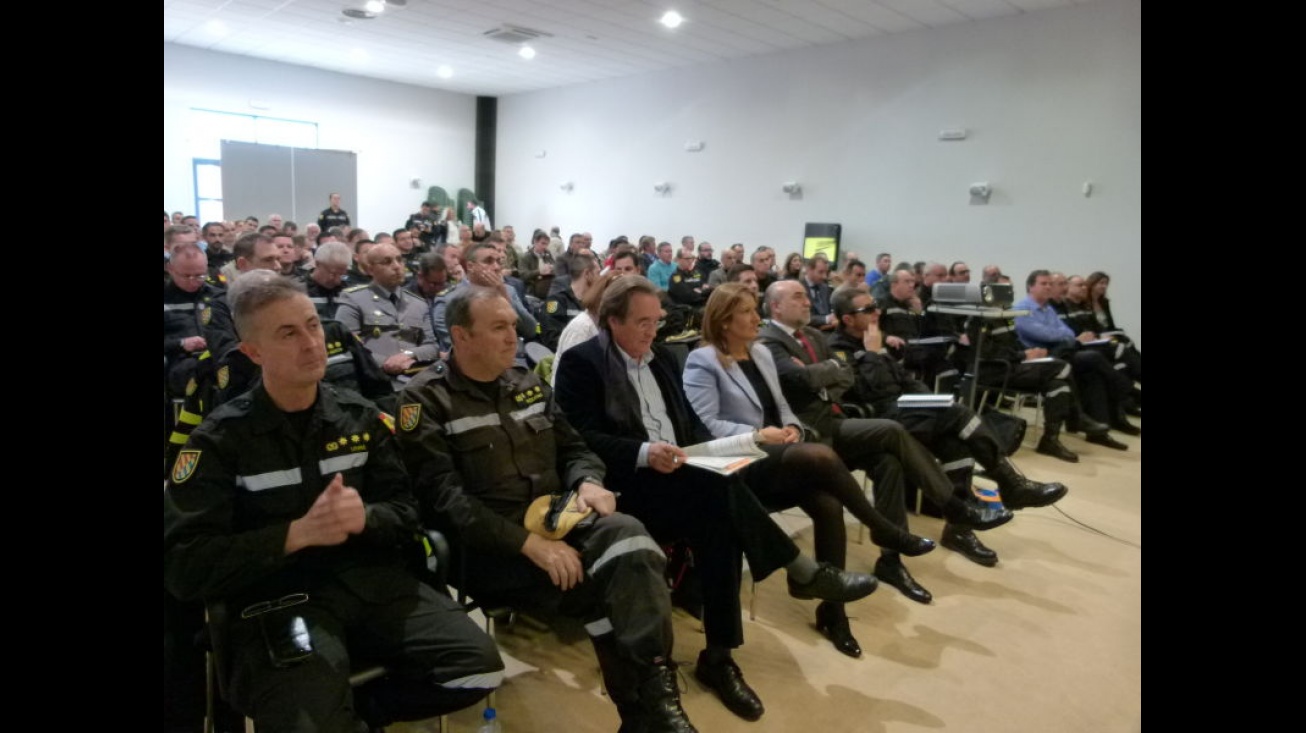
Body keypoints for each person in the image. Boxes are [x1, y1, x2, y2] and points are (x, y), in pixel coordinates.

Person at [163, 271, 503, 731]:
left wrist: (366, 517)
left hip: (370, 584)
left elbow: (406, 512)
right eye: (288, 333)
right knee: (306, 713)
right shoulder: (219, 442)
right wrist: (293, 535)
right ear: (253, 352)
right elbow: (185, 565)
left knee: (481, 665)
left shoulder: (358, 418)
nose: (311, 343)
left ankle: (354, 717)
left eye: (313, 325)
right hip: (281, 600)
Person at [553, 276, 878, 723]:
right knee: (716, 491)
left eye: (656, 321)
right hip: (625, 486)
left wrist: (717, 451)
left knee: (720, 513)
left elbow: (691, 426)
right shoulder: (582, 362)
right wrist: (647, 453)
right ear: (611, 321)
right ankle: (798, 573)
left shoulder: (662, 358)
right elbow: (579, 439)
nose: (652, 332)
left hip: (684, 475)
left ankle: (720, 656)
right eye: (642, 323)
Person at [396, 286, 699, 733]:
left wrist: (589, 482)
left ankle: (653, 697)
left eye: (513, 327)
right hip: (493, 548)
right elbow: (445, 502)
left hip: (562, 519)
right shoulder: (424, 400)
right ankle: (651, 711)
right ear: (460, 336)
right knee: (616, 584)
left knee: (632, 539)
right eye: (498, 328)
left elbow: (575, 448)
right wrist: (529, 545)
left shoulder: (526, 383)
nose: (512, 338)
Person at [683, 284, 935, 658]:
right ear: (723, 321)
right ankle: (884, 529)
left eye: (756, 310)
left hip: (780, 452)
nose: (757, 318)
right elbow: (704, 425)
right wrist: (758, 435)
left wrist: (792, 430)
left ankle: (833, 612)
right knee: (819, 457)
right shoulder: (703, 360)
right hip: (741, 461)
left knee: (828, 502)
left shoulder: (762, 353)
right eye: (748, 312)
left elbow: (784, 407)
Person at [757, 279, 1014, 603]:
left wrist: (824, 375)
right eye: (798, 297)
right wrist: (827, 372)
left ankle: (890, 560)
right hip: (807, 434)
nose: (808, 302)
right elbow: (800, 379)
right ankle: (954, 507)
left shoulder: (814, 336)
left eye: (807, 297)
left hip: (835, 423)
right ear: (776, 306)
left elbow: (842, 377)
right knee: (891, 430)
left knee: (889, 461)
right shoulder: (768, 341)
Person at [827, 287, 1068, 567]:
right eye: (867, 309)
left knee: (955, 446)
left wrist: (928, 398)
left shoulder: (874, 340)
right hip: (878, 419)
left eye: (875, 306)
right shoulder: (837, 349)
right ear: (847, 319)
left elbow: (906, 380)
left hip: (904, 410)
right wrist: (873, 353)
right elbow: (869, 391)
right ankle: (1008, 483)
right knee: (957, 414)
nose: (876, 312)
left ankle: (960, 531)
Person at [1014, 270, 1138, 437]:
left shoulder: (1047, 309)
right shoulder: (1022, 308)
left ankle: (1101, 430)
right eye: (1044, 284)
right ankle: (1130, 392)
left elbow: (1067, 332)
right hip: (1041, 358)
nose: (1048, 287)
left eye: (1050, 283)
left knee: (1094, 372)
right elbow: (1043, 334)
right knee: (1094, 357)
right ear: (1030, 287)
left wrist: (1064, 336)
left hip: (1061, 352)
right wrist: (1064, 336)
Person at [335, 243, 441, 393]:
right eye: (387, 262)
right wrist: (385, 362)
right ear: (370, 269)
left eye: (399, 260)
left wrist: (408, 355)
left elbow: (432, 346)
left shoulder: (418, 303)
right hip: (374, 383)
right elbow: (348, 346)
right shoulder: (353, 299)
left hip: (415, 384)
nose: (397, 266)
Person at [540, 252, 599, 351]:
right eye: (598, 273)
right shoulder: (555, 302)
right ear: (587, 274)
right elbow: (551, 339)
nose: (600, 278)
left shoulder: (595, 304)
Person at [301, 241, 352, 319]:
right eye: (332, 274)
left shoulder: (349, 291)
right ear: (317, 264)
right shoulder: (298, 291)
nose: (337, 281)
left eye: (342, 275)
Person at [520, 229, 557, 300]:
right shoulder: (525, 257)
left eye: (546, 244)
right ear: (535, 242)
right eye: (542, 243)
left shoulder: (547, 254)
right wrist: (539, 271)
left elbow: (555, 267)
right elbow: (523, 276)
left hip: (548, 286)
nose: (545, 247)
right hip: (533, 288)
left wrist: (552, 268)